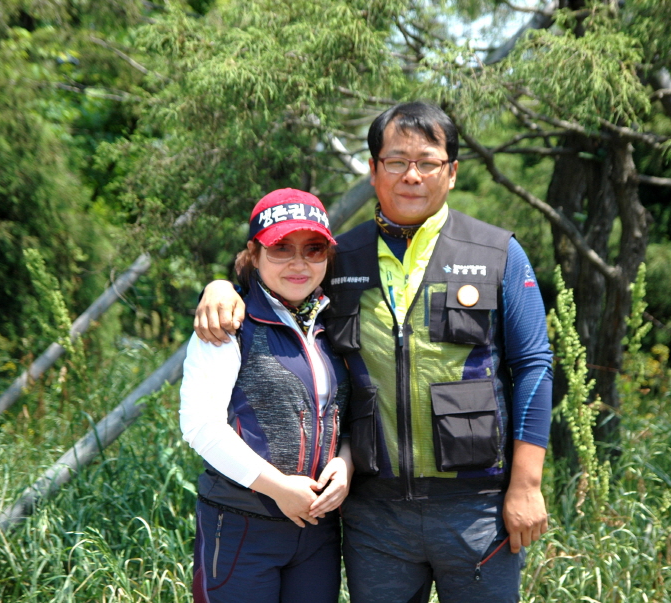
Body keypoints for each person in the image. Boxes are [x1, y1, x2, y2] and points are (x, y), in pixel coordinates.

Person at [194, 102, 552, 603]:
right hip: (373, 516)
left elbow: (533, 365)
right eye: (396, 161)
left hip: (476, 508)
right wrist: (220, 288)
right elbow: (275, 290)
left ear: (451, 172)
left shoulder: (497, 254)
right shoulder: (339, 257)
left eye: (427, 162)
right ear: (373, 169)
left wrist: (526, 485)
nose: (412, 175)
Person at [180, 188, 352, 603]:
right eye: (281, 248)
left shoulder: (336, 323)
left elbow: (350, 416)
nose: (298, 263)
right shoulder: (227, 323)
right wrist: (278, 488)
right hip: (241, 526)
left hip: (317, 532)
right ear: (254, 255)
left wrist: (346, 465)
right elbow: (200, 426)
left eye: (313, 249)